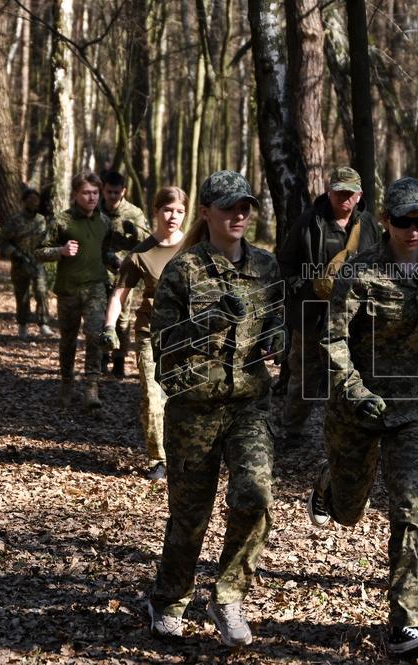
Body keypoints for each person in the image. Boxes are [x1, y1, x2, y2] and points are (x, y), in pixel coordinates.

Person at [305, 177, 418, 659]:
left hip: (414, 411)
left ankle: (406, 620)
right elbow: (332, 339)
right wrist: (354, 389)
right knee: (348, 510)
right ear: (385, 221)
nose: (412, 229)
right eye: (403, 220)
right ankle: (329, 483)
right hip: (355, 410)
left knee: (411, 508)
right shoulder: (359, 271)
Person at [146, 170, 283, 647]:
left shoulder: (267, 267)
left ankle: (228, 597)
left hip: (249, 404)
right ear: (206, 212)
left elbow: (276, 322)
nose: (238, 215)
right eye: (228, 207)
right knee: (190, 516)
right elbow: (161, 349)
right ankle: (168, 599)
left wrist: (277, 339)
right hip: (194, 409)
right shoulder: (183, 271)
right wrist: (205, 323)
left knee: (255, 496)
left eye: (245, 206)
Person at [275, 166, 381, 450]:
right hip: (312, 314)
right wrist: (306, 286)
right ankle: (292, 433)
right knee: (305, 375)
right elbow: (285, 264)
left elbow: (383, 265)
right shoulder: (309, 222)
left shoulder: (369, 226)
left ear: (359, 195)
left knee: (351, 373)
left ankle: (349, 431)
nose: (344, 198)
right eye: (339, 192)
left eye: (350, 193)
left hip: (356, 318)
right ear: (329, 192)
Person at [100, 186, 187, 480]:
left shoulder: (197, 248)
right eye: (168, 210)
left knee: (186, 398)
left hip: (191, 336)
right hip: (151, 333)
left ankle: (187, 455)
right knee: (152, 397)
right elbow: (119, 295)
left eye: (179, 211)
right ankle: (158, 459)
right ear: (157, 211)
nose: (173, 216)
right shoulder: (141, 254)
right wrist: (110, 327)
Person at [35, 172, 118, 408]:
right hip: (69, 290)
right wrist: (60, 251)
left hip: (96, 289)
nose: (91, 197)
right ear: (75, 194)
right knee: (68, 340)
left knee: (94, 337)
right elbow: (39, 251)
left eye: (95, 192)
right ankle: (66, 385)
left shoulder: (104, 222)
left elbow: (103, 253)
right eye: (86, 193)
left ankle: (91, 388)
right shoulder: (62, 221)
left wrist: (117, 262)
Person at [101, 170, 150, 378]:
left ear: (124, 191)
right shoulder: (94, 210)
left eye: (117, 192)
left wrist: (135, 230)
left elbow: (148, 239)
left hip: (123, 274)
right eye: (109, 192)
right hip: (97, 270)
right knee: (99, 317)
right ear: (103, 190)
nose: (113, 196)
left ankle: (119, 359)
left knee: (122, 319)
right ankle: (102, 357)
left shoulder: (133, 212)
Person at [0, 188, 55, 339]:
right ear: (23, 202)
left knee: (41, 292)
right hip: (20, 263)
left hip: (38, 263)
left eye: (36, 200)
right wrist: (14, 253)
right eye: (30, 200)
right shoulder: (15, 220)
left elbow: (47, 240)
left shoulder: (41, 220)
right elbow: (2, 240)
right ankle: (23, 325)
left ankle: (43, 324)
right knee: (22, 295)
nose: (34, 203)